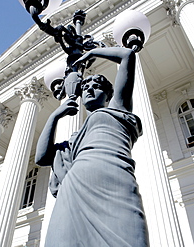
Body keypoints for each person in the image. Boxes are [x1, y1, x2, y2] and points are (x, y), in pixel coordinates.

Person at [35, 47, 149, 246]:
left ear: (108, 94)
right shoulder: (74, 139)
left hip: (117, 184)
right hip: (74, 192)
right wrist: (55, 116)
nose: (88, 89)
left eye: (96, 86)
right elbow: (42, 157)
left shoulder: (117, 108)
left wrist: (92, 53)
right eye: (85, 87)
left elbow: (127, 56)